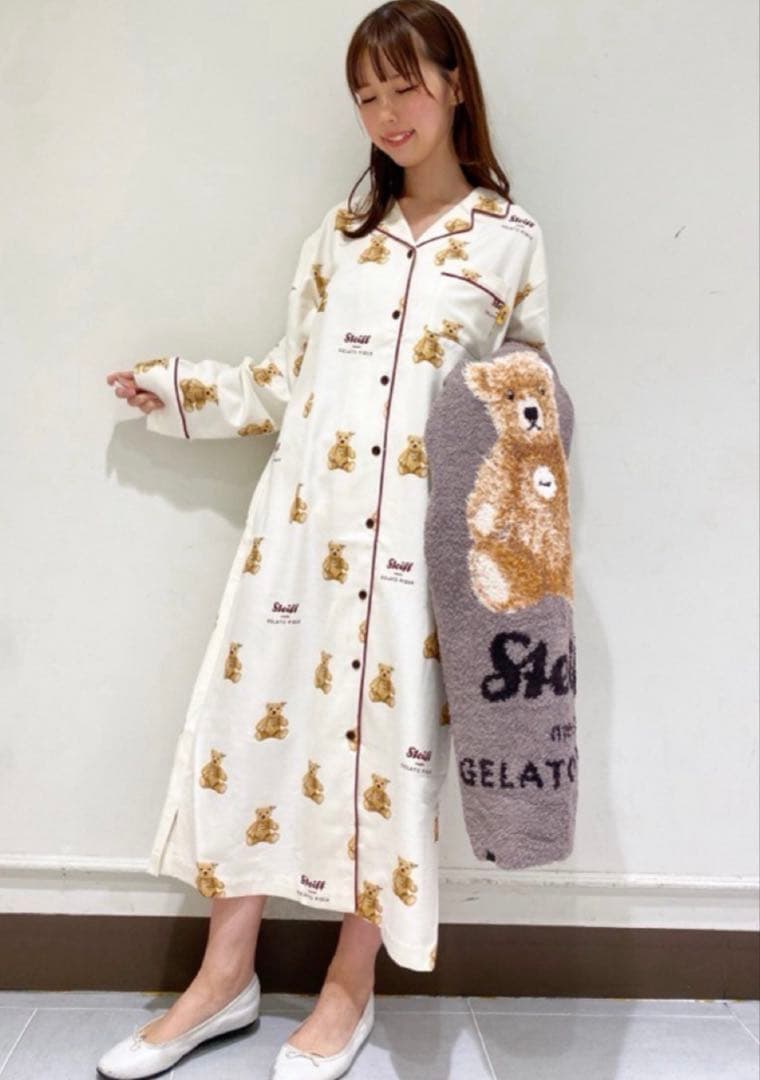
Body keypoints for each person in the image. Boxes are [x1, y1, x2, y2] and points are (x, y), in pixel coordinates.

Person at [100, 2, 550, 1077]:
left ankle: (351, 987)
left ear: (453, 83)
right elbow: (283, 379)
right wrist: (178, 390)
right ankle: (223, 979)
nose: (387, 114)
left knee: (388, 755)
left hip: (420, 564)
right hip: (301, 540)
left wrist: (509, 562)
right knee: (248, 734)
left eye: (405, 86)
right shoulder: (340, 237)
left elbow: (530, 411)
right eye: (366, 95)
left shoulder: (509, 242)